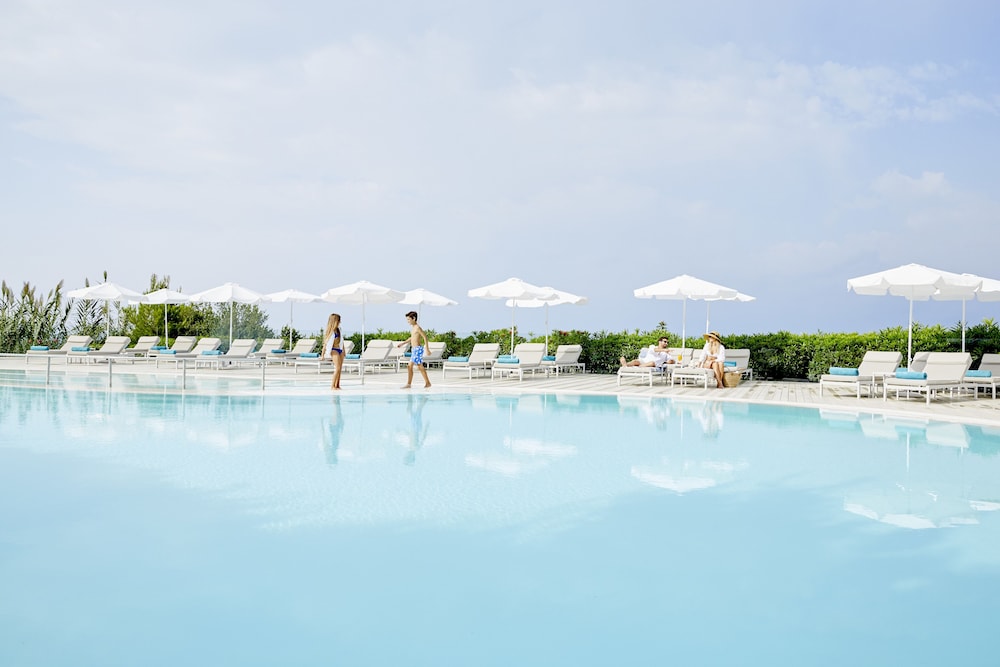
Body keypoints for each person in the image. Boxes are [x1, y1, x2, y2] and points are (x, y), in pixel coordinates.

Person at [398, 310, 431, 389]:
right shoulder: (413, 328)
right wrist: (403, 343)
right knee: (413, 366)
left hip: (418, 349)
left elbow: (425, 337)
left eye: (409, 319)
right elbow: (412, 338)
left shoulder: (418, 328)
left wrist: (427, 349)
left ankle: (425, 383)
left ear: (414, 318)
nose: (408, 321)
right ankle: (425, 383)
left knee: (416, 366)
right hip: (414, 350)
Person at [322, 313, 345, 390]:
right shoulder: (331, 332)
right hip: (333, 350)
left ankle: (337, 385)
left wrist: (344, 351)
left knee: (340, 369)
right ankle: (332, 386)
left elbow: (342, 342)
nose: (340, 322)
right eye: (339, 320)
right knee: (337, 368)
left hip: (340, 350)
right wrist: (322, 355)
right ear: (335, 321)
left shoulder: (339, 330)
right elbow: (325, 344)